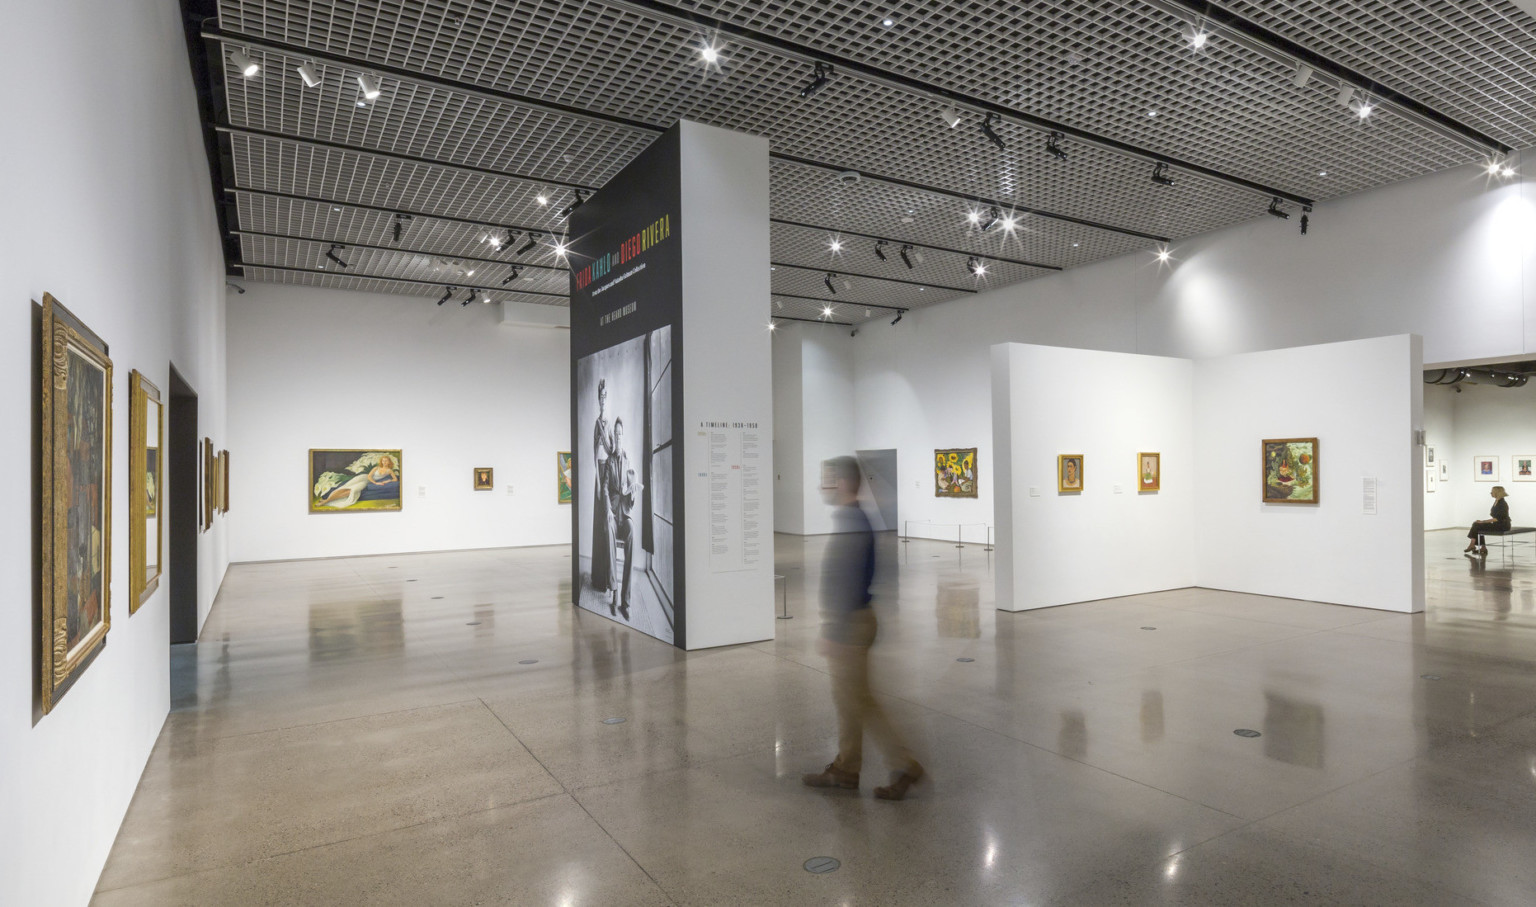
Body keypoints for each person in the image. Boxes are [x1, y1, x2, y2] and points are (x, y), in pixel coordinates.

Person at [802, 456, 925, 801]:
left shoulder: (853, 520)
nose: (821, 486)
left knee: (860, 701)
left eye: (826, 479)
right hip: (852, 621)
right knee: (850, 700)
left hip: (851, 624)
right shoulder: (852, 518)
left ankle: (905, 764)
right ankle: (846, 768)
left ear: (841, 483)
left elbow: (850, 579)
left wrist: (834, 629)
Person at [607, 418, 643, 619]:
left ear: (624, 436)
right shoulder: (609, 461)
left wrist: (633, 493)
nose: (619, 437)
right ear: (614, 436)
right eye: (617, 433)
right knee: (609, 528)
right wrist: (607, 508)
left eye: (622, 433)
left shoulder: (629, 461)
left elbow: (631, 497)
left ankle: (625, 601)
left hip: (625, 513)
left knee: (632, 533)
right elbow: (604, 488)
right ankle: (613, 593)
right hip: (613, 512)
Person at [590, 379, 614, 599]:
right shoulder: (597, 423)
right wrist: (598, 482)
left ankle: (609, 578)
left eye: (606, 395)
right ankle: (599, 579)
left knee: (608, 525)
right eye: (601, 396)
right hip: (599, 474)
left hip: (609, 475)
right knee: (599, 525)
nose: (603, 399)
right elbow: (593, 455)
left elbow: (613, 451)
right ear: (598, 399)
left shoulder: (611, 425)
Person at [1465, 485, 1511, 557]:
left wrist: (1483, 521)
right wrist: (1482, 521)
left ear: (1497, 493)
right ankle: (1480, 547)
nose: (1491, 493)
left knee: (1477, 525)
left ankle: (1473, 545)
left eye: (1492, 492)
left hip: (1503, 526)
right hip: (1497, 524)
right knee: (1476, 524)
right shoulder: (1497, 501)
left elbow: (1497, 518)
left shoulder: (1502, 504)